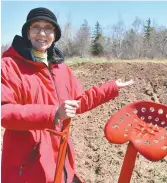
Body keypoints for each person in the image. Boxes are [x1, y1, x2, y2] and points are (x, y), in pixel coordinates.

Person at [1, 7, 134, 183]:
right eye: (36, 27)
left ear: (55, 34)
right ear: (27, 32)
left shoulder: (61, 68)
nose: (42, 33)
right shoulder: (9, 66)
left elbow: (78, 102)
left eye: (48, 28)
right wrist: (53, 113)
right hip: (28, 168)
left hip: (60, 160)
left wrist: (111, 88)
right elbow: (5, 113)